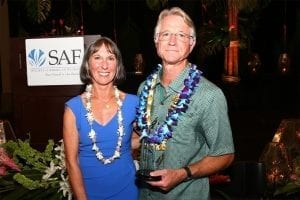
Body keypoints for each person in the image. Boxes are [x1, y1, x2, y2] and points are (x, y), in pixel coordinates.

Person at [136, 7, 235, 200]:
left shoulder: (210, 95)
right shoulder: (143, 89)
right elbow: (142, 136)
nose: (172, 41)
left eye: (181, 35)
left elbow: (225, 155)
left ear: (192, 43)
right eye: (165, 34)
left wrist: (183, 173)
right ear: (156, 41)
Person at [63, 37, 140, 200]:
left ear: (117, 65)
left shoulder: (133, 103)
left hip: (127, 190)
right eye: (97, 57)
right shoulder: (73, 109)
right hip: (89, 191)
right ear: (87, 64)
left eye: (110, 58)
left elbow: (139, 140)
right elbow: (71, 162)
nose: (104, 65)